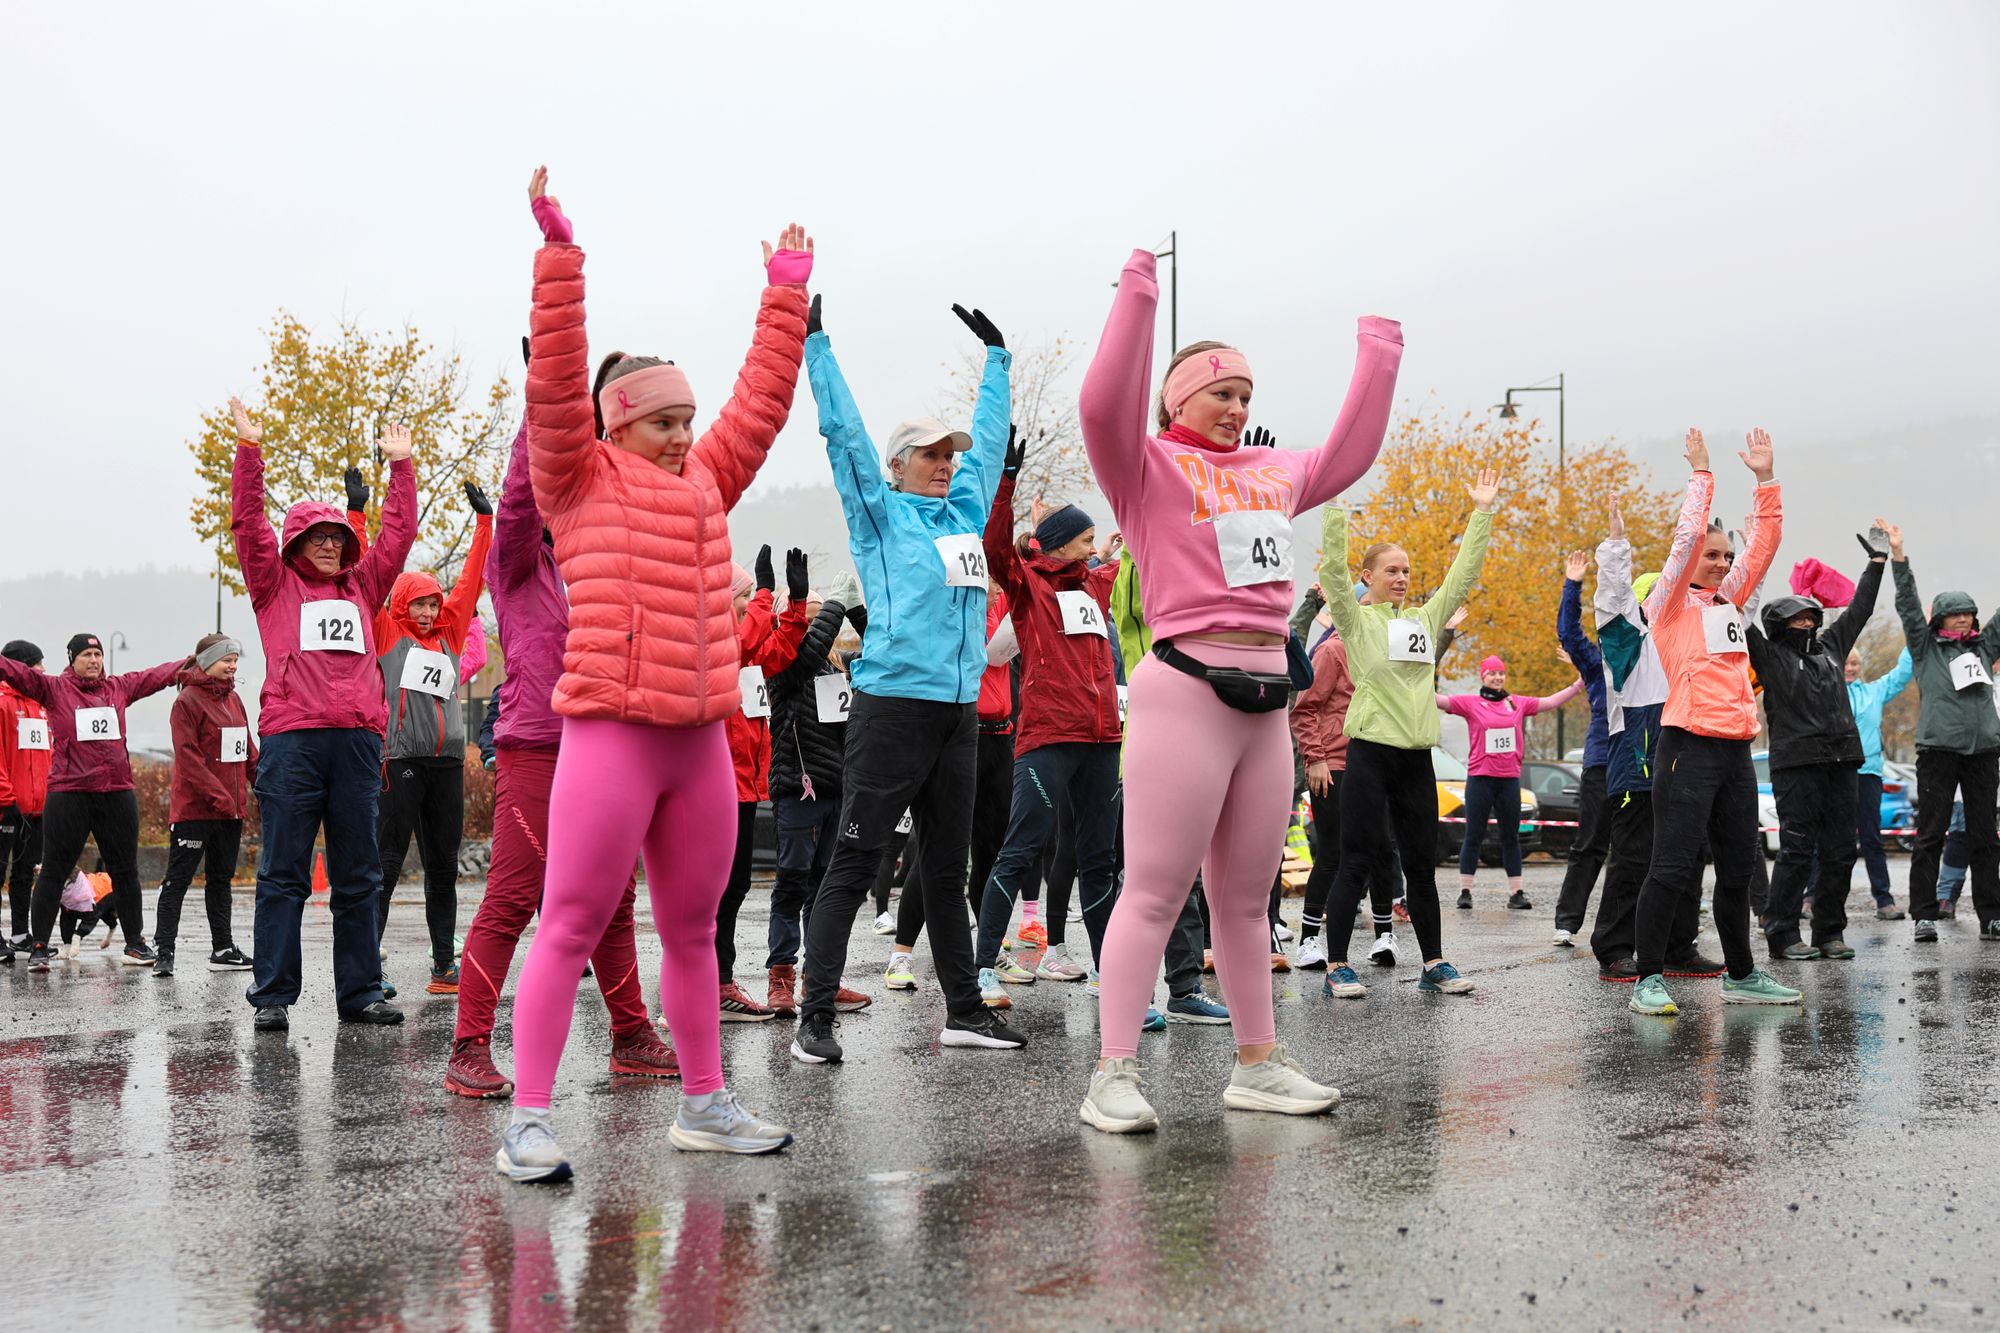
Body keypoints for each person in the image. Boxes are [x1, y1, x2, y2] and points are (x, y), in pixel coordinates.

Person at [497, 169, 807, 1182]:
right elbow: (555, 391)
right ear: (617, 423)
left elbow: (758, 406)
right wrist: (559, 259)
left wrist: (785, 293)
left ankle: (706, 1101)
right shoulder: (576, 480)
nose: (685, 435)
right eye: (663, 420)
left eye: (686, 419)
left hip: (700, 740)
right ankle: (529, 1118)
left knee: (688, 929)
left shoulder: (706, 482)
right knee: (573, 921)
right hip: (609, 736)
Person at [1074, 243, 1401, 1134]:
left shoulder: (1270, 472)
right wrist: (1139, 293)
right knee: (1153, 888)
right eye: (1223, 392)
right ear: (1181, 399)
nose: (1239, 407)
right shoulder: (1146, 469)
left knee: (1249, 900)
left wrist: (1380, 350)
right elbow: (1102, 406)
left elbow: (1347, 452)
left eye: (1248, 395)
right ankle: (1112, 1072)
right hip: (1184, 690)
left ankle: (1258, 1063)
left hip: (1267, 705)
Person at [790, 295, 1026, 1065]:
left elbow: (988, 446)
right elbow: (844, 438)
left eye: (947, 455)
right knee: (856, 863)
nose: (946, 462)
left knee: (947, 868)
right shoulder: (880, 512)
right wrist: (816, 346)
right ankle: (813, 1017)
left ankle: (962, 1009)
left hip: (957, 718)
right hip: (892, 712)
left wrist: (998, 362)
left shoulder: (962, 513)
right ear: (897, 466)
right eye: (930, 453)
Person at [448, 415, 675, 1101]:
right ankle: (468, 1046)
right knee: (515, 895)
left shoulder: (594, 561)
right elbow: (519, 498)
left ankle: (631, 1036)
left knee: (613, 900)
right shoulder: (516, 560)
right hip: (536, 746)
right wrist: (540, 410)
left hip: (604, 745)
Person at [229, 397, 412, 1028]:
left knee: (359, 874)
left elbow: (398, 536)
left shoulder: (363, 585)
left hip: (358, 745)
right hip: (294, 744)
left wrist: (402, 467)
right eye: (319, 538)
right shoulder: (272, 584)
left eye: (339, 538)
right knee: (284, 874)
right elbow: (248, 524)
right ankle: (274, 998)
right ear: (297, 543)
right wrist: (249, 451)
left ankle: (358, 992)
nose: (331, 547)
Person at [1626, 429, 1801, 1016]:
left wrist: (1765, 481)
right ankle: (1649, 976)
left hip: (1735, 752)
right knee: (1672, 867)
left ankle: (1742, 974)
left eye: (1727, 556)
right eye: (1714, 554)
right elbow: (1684, 543)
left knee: (1738, 869)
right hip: (1686, 747)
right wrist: (1702, 475)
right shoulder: (1669, 605)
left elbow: (1765, 546)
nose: (1724, 562)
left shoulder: (1730, 604)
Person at [1315, 474, 1497, 1001]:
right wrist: (1332, 515)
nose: (1401, 577)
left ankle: (1434, 962)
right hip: (1370, 755)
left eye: (1407, 571)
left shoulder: (1422, 618)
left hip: (1416, 759)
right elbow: (1331, 571)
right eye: (1391, 570)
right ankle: (1337, 965)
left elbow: (1461, 580)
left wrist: (1480, 513)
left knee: (1420, 865)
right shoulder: (1356, 621)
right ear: (1368, 576)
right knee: (1356, 859)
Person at [971, 460, 1124, 1009]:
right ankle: (984, 968)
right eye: (1083, 539)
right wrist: (1005, 482)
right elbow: (995, 548)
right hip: (1048, 738)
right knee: (1019, 850)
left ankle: (1114, 978)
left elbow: (1139, 546)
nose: (1091, 548)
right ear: (1057, 545)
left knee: (1099, 860)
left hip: (1103, 741)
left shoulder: (1097, 583)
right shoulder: (1028, 586)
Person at [0, 634, 188, 971]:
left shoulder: (118, 688)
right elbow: (18, 674)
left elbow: (153, 677)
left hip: (116, 793)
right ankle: (40, 947)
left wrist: (187, 664)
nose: (94, 660)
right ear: (72, 659)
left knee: (125, 872)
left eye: (98, 654)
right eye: (86, 654)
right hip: (69, 794)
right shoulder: (54, 689)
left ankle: (135, 944)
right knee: (53, 872)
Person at [373, 482, 493, 995]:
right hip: (400, 760)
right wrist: (362, 520)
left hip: (446, 763)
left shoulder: (450, 631)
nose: (425, 612)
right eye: (417, 604)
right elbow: (367, 580)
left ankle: (444, 964)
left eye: (431, 604)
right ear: (402, 604)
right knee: (387, 862)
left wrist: (484, 524)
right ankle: (365, 961)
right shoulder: (385, 631)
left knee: (443, 866)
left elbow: (470, 581)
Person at [1749, 539, 1886, 961]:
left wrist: (1877, 563)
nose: (1807, 623)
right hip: (1796, 765)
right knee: (1795, 850)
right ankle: (1783, 934)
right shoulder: (1768, 656)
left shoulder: (1833, 648)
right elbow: (1736, 612)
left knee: (1842, 851)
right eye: (1797, 618)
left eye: (1812, 616)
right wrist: (1738, 566)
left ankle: (1829, 932)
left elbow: (1860, 609)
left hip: (1844, 762)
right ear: (1778, 624)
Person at [1887, 520, 2000, 940]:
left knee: (1985, 837)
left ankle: (1991, 914)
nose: (1962, 619)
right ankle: (1924, 915)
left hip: (1984, 751)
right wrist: (1899, 556)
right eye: (1954, 613)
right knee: (1930, 835)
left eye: (1968, 612)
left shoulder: (1984, 646)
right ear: (1940, 621)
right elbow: (1907, 605)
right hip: (1937, 750)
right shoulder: (1924, 648)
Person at [763, 571, 863, 1015]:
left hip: (835, 791)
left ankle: (820, 978)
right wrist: (834, 609)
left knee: (825, 889)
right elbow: (805, 655)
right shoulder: (783, 664)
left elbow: (880, 650)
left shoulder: (835, 667)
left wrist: (857, 613)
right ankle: (780, 977)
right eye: (812, 619)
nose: (821, 630)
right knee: (791, 884)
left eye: (825, 620)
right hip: (796, 791)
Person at [716, 548, 809, 1022]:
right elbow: (744, 636)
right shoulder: (717, 639)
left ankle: (720, 981)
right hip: (718, 787)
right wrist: (767, 595)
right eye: (746, 595)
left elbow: (779, 649)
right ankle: (714, 983)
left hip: (746, 786)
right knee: (718, 891)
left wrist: (795, 604)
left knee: (734, 888)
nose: (754, 602)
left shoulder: (746, 652)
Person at [1437, 657, 1581, 911]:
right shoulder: (1470, 704)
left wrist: (1578, 684)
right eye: (1492, 673)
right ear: (1483, 676)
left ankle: (1516, 893)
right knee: (1474, 834)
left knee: (1510, 836)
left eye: (1501, 673)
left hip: (1509, 780)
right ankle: (1465, 891)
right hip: (1480, 778)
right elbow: (1440, 701)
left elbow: (1550, 702)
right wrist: (1415, 680)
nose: (1497, 678)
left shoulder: (1516, 703)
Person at [153, 634, 257, 978]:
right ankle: (164, 952)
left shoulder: (236, 701)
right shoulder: (186, 702)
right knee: (177, 880)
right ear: (207, 661)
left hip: (231, 812)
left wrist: (265, 784)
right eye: (226, 659)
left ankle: (223, 948)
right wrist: (218, 795)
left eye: (235, 659)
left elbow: (247, 750)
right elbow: (188, 757)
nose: (233, 665)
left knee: (220, 880)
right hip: (196, 811)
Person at [1551, 552, 1614, 946]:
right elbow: (1569, 634)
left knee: (1639, 850)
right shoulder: (1596, 662)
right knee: (1591, 843)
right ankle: (1567, 921)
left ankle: (1639, 924)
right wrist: (1573, 585)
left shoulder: (1653, 659)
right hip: (1602, 763)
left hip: (1644, 766)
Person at [1846, 642, 1913, 919]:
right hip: (1835, 775)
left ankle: (1884, 901)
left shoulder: (1873, 692)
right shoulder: (1824, 692)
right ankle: (1812, 897)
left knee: (1872, 838)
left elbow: (1902, 673)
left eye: (1855, 664)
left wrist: (1914, 633)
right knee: (1828, 840)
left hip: (1869, 774)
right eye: (1845, 663)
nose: (1850, 668)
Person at [0, 640, 51, 959]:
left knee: (24, 872)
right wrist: (6, 798)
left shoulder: (42, 705)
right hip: (7, 806)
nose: (44, 670)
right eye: (37, 664)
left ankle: (20, 933)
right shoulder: (3, 703)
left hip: (38, 808)